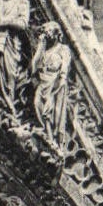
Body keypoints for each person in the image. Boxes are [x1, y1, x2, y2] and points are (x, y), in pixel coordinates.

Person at [31, 21, 71, 150]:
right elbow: (33, 67)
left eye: (49, 31)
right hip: (43, 83)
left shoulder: (63, 49)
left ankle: (51, 139)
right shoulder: (45, 50)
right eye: (45, 32)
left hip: (55, 85)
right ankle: (46, 133)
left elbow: (64, 69)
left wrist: (59, 84)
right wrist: (40, 47)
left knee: (49, 112)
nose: (46, 34)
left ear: (56, 33)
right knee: (37, 104)